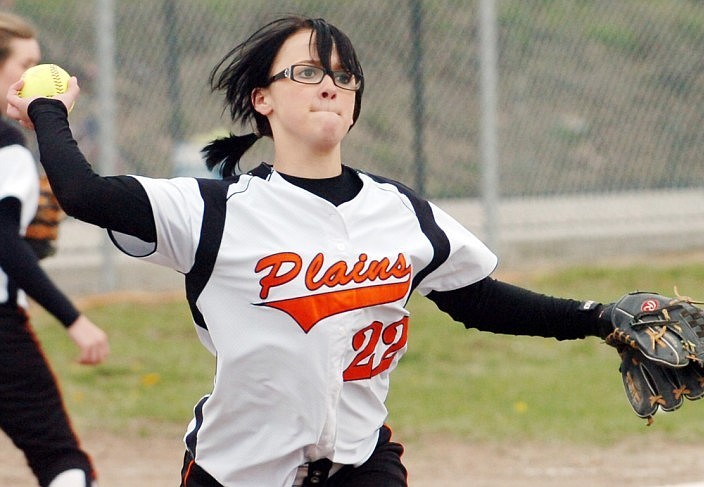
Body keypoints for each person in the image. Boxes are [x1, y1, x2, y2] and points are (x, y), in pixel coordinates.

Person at [7, 15, 613, 487]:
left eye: (344, 75)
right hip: (237, 468)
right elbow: (84, 194)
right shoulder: (213, 210)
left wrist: (598, 318)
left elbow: (477, 300)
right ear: (263, 100)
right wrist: (49, 112)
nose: (330, 83)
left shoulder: (398, 211)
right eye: (306, 72)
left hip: (360, 459)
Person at [0, 11, 109, 487]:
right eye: (25, 63)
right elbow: (3, 243)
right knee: (61, 460)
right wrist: (74, 319)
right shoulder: (7, 148)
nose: (34, 73)